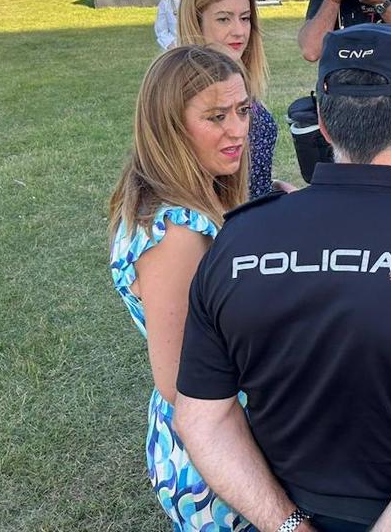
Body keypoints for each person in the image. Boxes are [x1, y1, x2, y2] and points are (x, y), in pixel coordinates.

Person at [174, 24, 391, 532]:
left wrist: (289, 525)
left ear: (325, 126)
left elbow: (201, 419)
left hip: (272, 513)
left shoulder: (239, 240)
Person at [108, 45, 252, 531]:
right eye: (216, 117)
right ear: (170, 126)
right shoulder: (177, 233)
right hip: (217, 453)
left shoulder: (197, 199)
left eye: (242, 110)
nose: (237, 129)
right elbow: (181, 381)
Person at [178, 0, 293, 200]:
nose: (239, 31)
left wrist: (270, 187)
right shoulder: (184, 90)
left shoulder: (236, 82)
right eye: (224, 19)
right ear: (195, 20)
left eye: (245, 18)